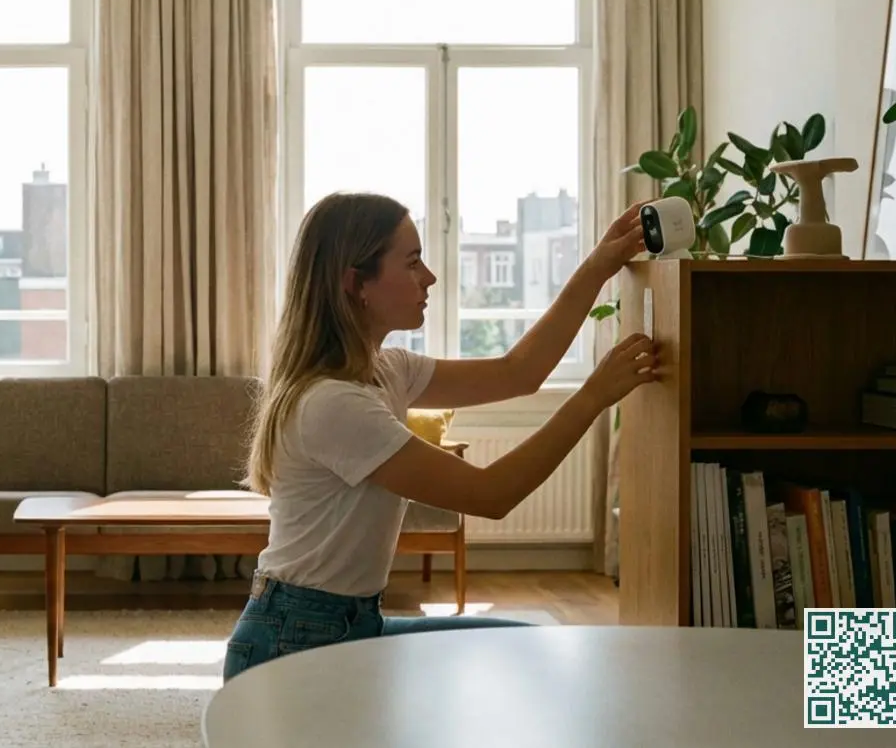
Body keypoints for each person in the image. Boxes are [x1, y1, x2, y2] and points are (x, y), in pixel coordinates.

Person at [222, 191, 659, 682]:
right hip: (292, 641)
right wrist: (593, 395)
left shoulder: (388, 371)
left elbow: (520, 372)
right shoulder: (332, 404)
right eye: (412, 263)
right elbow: (491, 494)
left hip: (347, 623)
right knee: (507, 655)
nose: (428, 277)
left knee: (519, 642)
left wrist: (600, 264)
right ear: (355, 283)